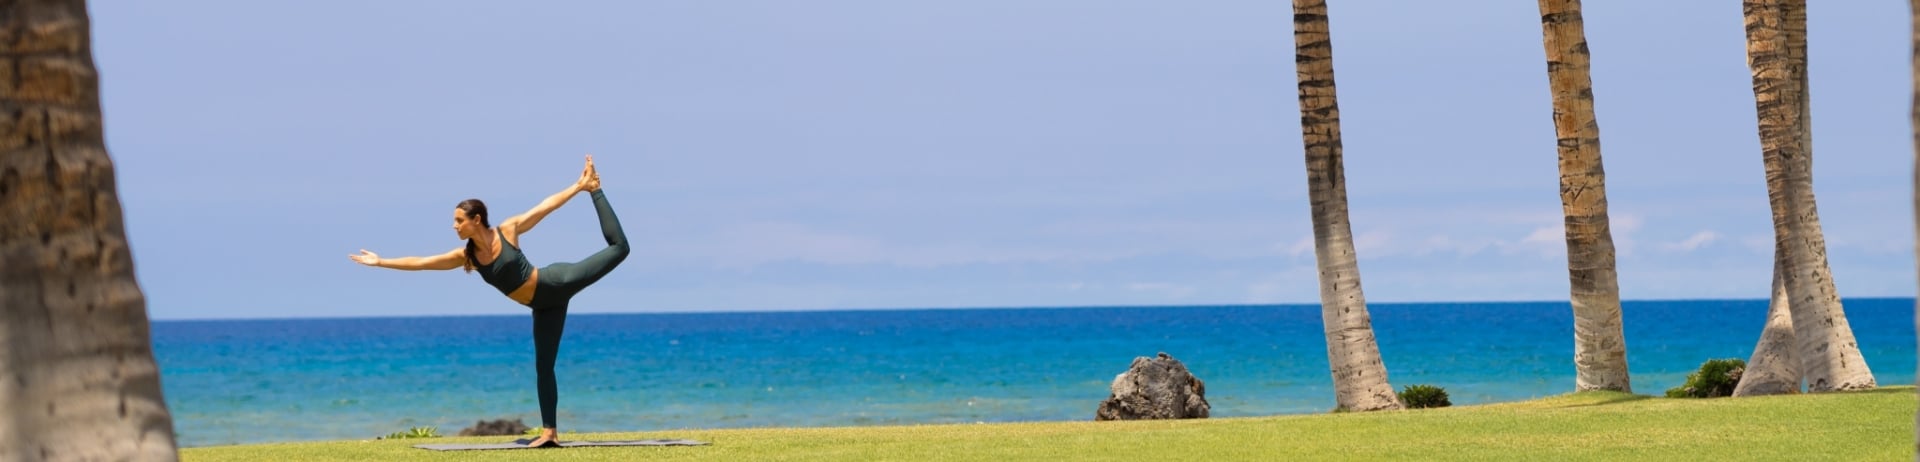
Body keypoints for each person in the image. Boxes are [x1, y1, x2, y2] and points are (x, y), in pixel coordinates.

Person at [349, 155, 628, 448]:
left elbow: (547, 206)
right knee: (544, 367)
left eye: (459, 221)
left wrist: (581, 186)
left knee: (620, 249)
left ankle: (597, 189)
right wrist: (381, 261)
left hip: (555, 281)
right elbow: (422, 262)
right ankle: (549, 433)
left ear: (476, 220)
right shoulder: (466, 256)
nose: (454, 226)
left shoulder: (508, 231)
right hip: (544, 307)